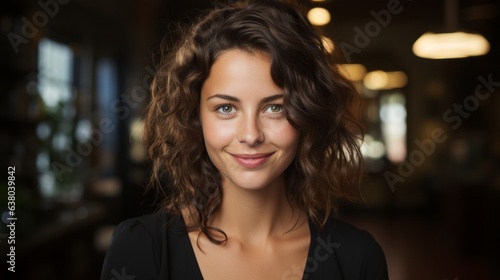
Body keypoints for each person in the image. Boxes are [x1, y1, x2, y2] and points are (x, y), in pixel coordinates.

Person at [101, 0, 388, 279]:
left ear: (306, 115)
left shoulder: (357, 258)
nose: (251, 135)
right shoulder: (140, 249)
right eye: (226, 108)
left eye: (275, 108)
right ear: (195, 117)